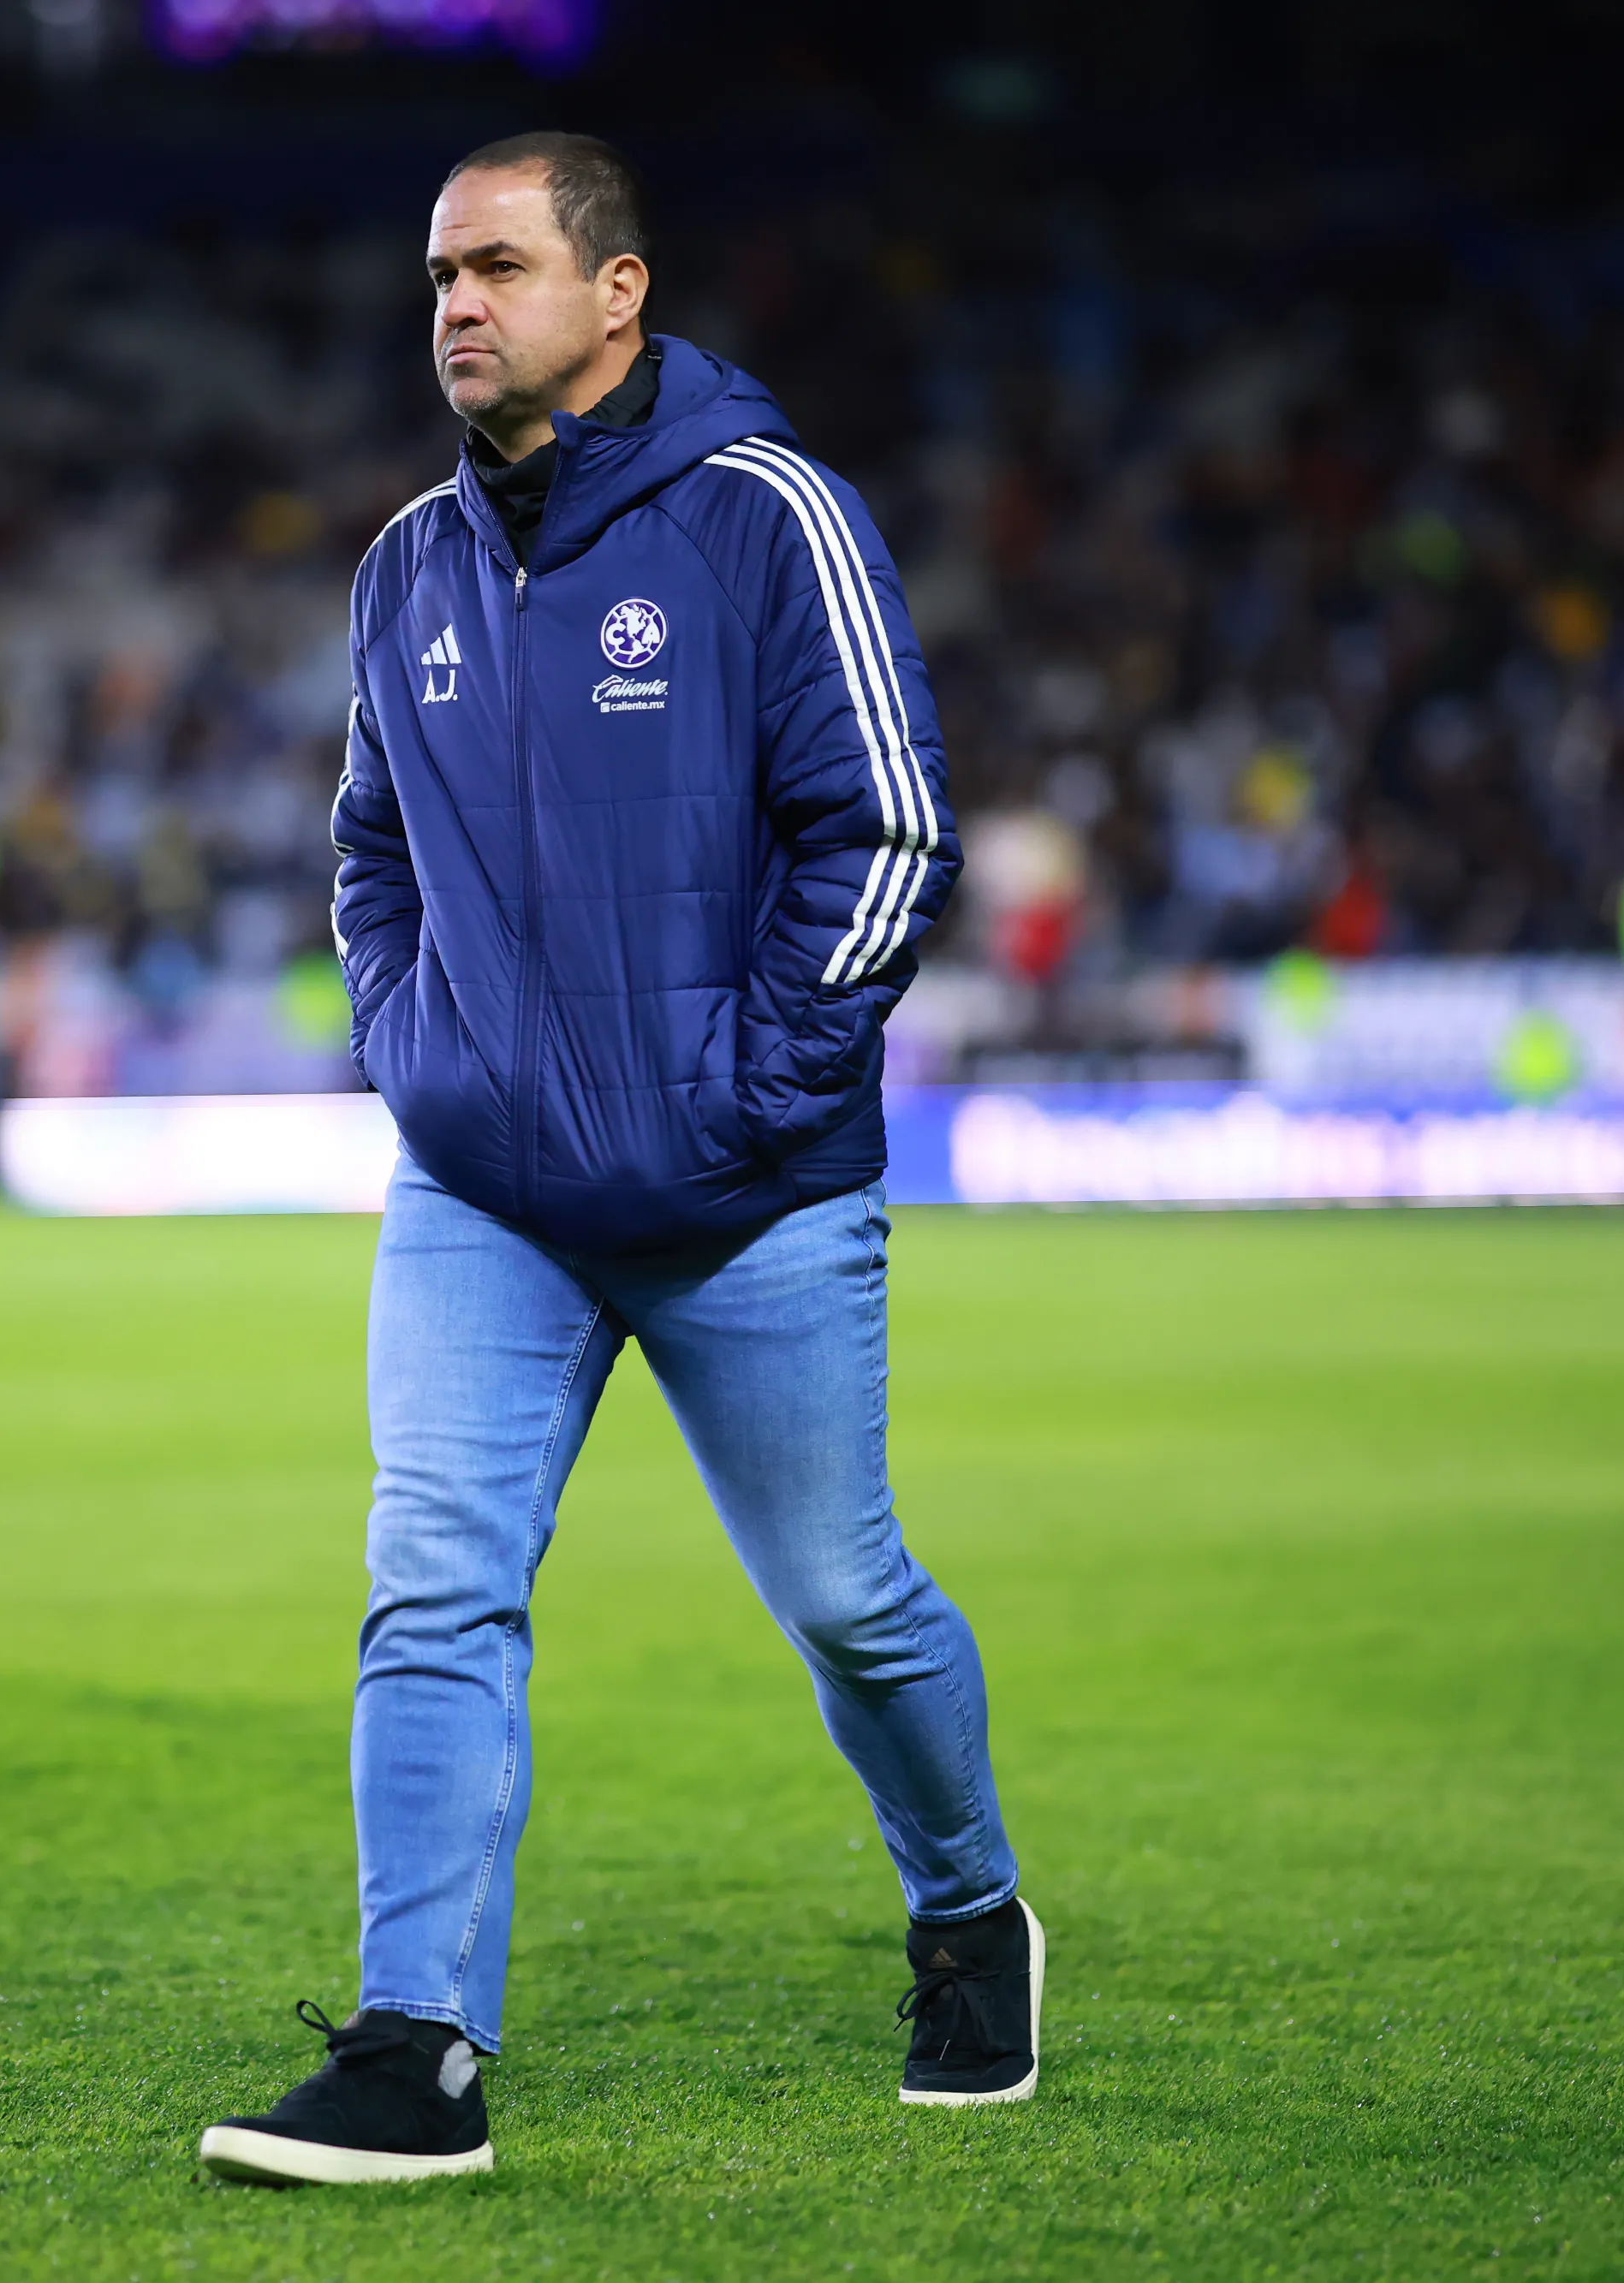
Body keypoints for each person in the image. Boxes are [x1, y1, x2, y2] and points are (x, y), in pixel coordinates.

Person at [195, 133, 1038, 2189]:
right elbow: (367, 854)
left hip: (746, 1192)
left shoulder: (767, 520)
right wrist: (426, 1066)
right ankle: (416, 2050)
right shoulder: (407, 565)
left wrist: (739, 1099)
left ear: (618, 292)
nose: (453, 308)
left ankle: (966, 1908)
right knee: (432, 1590)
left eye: (491, 267)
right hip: (486, 1195)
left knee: (845, 1598)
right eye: (434, 280)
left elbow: (892, 832)